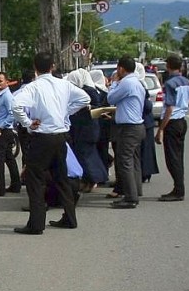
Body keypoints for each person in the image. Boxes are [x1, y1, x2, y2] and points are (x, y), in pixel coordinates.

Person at [11, 52, 89, 234]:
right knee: (61, 178)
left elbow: (16, 105)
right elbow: (85, 98)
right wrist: (66, 112)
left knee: (36, 180)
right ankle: (70, 218)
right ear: (53, 66)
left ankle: (36, 224)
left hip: (42, 136)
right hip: (60, 135)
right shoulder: (64, 84)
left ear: (35, 67)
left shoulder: (33, 87)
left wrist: (28, 123)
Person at [106, 56, 145, 209]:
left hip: (129, 128)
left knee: (124, 162)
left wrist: (114, 82)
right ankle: (135, 191)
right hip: (136, 126)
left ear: (121, 69)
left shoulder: (127, 82)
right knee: (133, 161)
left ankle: (130, 197)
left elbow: (111, 98)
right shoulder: (137, 82)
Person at [155, 54, 189, 202]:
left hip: (172, 122)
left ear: (168, 66)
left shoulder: (170, 83)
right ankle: (179, 187)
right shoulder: (186, 82)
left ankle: (178, 190)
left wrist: (161, 129)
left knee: (172, 159)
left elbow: (169, 109)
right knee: (179, 156)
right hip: (182, 121)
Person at [64, 68, 107, 192]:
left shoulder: (88, 91)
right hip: (86, 128)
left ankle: (94, 179)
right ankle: (89, 180)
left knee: (86, 156)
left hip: (86, 128)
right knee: (86, 155)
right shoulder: (88, 89)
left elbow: (95, 106)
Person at [134, 62, 159, 184]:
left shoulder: (137, 84)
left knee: (144, 149)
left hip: (142, 121)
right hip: (145, 121)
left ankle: (144, 172)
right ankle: (145, 172)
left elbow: (147, 105)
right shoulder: (140, 83)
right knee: (146, 149)